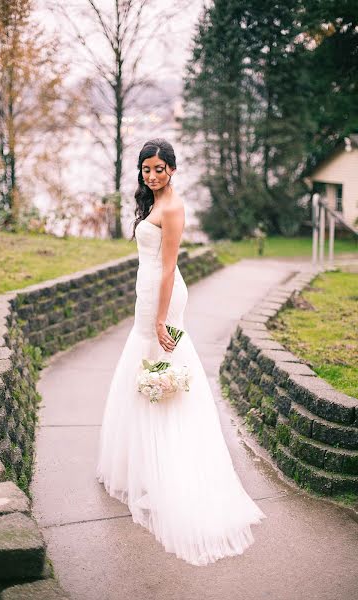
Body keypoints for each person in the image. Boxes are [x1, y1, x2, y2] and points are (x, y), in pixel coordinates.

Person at [95, 138, 266, 566]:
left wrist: (159, 320)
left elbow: (169, 265)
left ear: (172, 169)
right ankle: (143, 467)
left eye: (159, 169)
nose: (151, 176)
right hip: (147, 293)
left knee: (162, 374)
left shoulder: (172, 207)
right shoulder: (153, 201)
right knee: (141, 370)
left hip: (164, 299)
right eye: (146, 169)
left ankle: (170, 471)